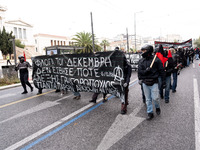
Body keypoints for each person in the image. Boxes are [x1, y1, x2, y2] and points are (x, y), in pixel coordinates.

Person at [138, 44, 165, 120]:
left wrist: (163, 82)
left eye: (144, 51)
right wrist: (145, 72)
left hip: (154, 82)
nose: (142, 52)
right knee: (148, 99)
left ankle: (157, 107)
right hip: (145, 82)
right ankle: (150, 112)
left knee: (155, 98)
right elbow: (139, 72)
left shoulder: (156, 60)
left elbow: (161, 71)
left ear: (149, 51)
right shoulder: (141, 61)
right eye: (142, 50)